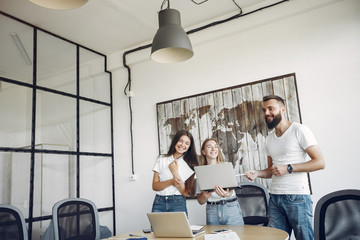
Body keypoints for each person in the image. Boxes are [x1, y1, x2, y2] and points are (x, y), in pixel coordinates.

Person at [245, 95, 325, 239]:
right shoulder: (269, 139)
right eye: (264, 110)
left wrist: (289, 168)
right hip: (275, 197)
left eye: (271, 108)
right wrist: (257, 173)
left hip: (297, 197)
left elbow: (320, 162)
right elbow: (271, 171)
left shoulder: (299, 130)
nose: (266, 113)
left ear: (283, 110)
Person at [197, 138, 244, 225]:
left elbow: (231, 191)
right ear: (203, 152)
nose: (213, 149)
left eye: (215, 147)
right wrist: (204, 196)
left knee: (237, 237)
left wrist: (226, 194)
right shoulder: (200, 172)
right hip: (212, 210)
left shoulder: (226, 167)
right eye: (209, 147)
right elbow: (200, 201)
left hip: (230, 207)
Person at [151, 130, 198, 215]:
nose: (183, 145)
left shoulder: (191, 164)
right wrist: (171, 182)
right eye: (180, 141)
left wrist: (175, 173)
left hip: (178, 202)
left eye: (187, 143)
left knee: (180, 229)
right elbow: (155, 186)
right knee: (157, 228)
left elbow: (185, 192)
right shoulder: (161, 159)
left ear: (189, 146)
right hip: (159, 202)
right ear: (175, 141)